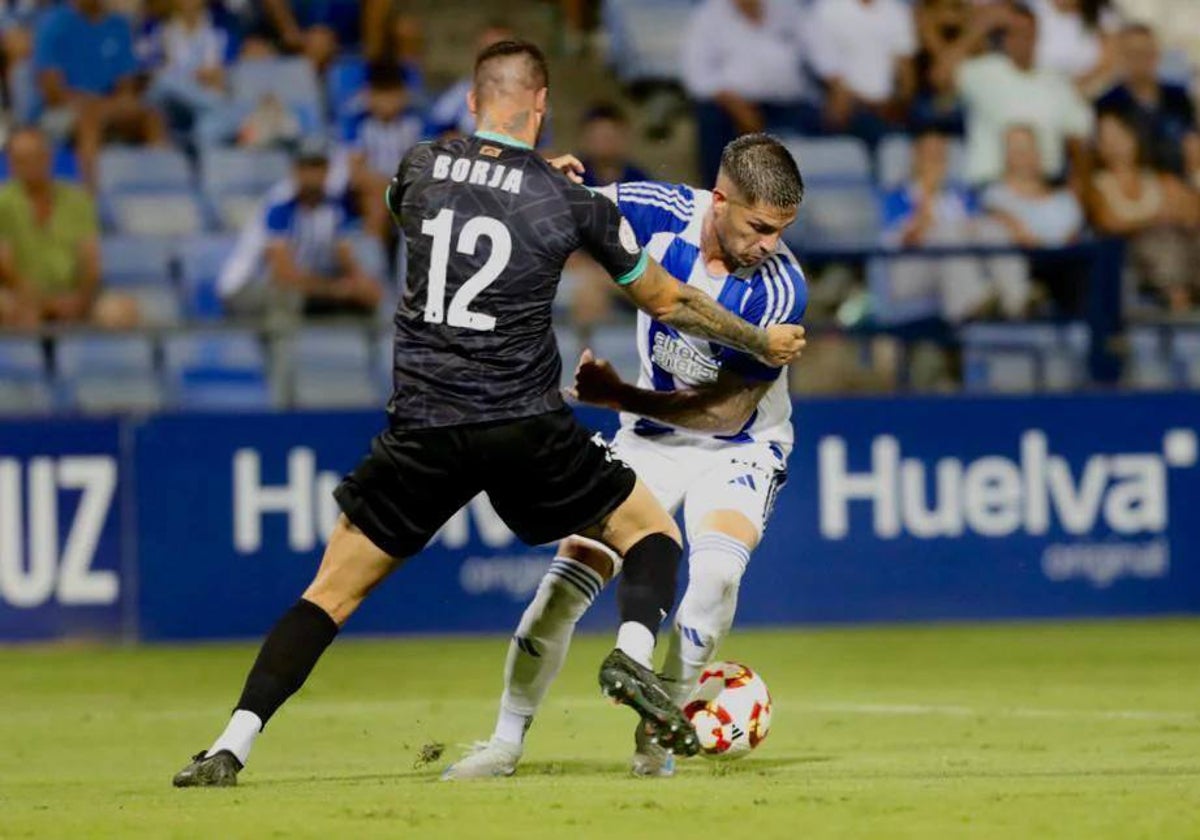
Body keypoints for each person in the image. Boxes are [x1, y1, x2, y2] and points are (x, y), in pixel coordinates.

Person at [171, 40, 806, 787]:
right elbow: (665, 297)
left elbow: (399, 208)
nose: (773, 244)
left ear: (472, 103)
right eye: (762, 226)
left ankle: (232, 743)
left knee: (331, 591)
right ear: (540, 108)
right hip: (524, 423)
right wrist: (755, 342)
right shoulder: (569, 200)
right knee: (649, 539)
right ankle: (614, 665)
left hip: (428, 424)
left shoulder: (416, 166)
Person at [442, 134, 808, 780]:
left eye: (782, 230)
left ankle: (656, 732)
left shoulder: (780, 292)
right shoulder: (654, 209)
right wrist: (537, 176)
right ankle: (504, 742)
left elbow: (723, 411)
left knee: (716, 578)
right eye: (760, 227)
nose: (770, 244)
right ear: (719, 200)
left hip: (740, 444)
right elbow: (565, 207)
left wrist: (617, 396)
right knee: (563, 587)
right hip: (649, 440)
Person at [881, 128, 1030, 322]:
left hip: (954, 266)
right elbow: (904, 242)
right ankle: (970, 309)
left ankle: (1018, 300)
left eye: (940, 155)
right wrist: (926, 197)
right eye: (930, 154)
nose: (935, 160)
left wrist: (1007, 221)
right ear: (915, 156)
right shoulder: (896, 197)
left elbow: (980, 226)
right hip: (908, 270)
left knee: (991, 229)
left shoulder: (959, 197)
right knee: (947, 232)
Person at [0, 126, 138, 329]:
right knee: (12, 310)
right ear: (11, 164)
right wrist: (40, 301)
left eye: (35, 157)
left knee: (121, 312)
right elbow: (6, 266)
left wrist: (80, 299)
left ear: (48, 157)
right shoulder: (3, 202)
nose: (29, 165)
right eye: (21, 160)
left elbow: (91, 260)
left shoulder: (78, 199)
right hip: (22, 296)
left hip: (74, 294)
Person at [952, 2, 1094, 187]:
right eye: (1017, 33)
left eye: (1029, 34)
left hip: (1044, 187)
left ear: (1038, 37)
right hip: (991, 185)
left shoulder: (1056, 82)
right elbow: (940, 77)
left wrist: (1079, 183)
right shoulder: (983, 72)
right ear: (1005, 39)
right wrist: (978, 30)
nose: (1024, 40)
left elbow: (1080, 134)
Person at [681, 0, 819, 184]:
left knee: (831, 120)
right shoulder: (709, 16)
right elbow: (697, 76)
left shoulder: (789, 10)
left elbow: (820, 54)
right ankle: (719, 196)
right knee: (711, 120)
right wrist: (736, 106)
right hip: (732, 105)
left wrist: (837, 84)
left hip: (789, 103)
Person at [32, 0, 167, 186]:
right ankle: (91, 196)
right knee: (89, 118)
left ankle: (162, 188)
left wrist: (111, 105)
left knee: (151, 117)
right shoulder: (54, 23)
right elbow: (53, 91)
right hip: (64, 110)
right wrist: (89, 104)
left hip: (109, 105)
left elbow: (126, 85)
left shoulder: (119, 25)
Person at [1086, 109, 1200, 312]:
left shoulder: (1161, 180)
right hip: (1131, 256)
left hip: (1180, 247)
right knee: (1160, 240)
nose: (1114, 144)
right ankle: (1178, 303)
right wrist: (1155, 220)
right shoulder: (1096, 185)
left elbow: (1193, 212)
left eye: (1119, 135)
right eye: (1106, 137)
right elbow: (1108, 223)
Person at [261, 138, 382, 318]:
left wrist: (359, 283)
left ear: (326, 171)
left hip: (319, 284)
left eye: (317, 167)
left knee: (369, 295)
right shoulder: (280, 207)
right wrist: (334, 289)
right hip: (281, 286)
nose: (312, 175)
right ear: (296, 171)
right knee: (285, 299)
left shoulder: (335, 208)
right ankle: (283, 347)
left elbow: (346, 255)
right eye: (306, 167)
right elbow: (283, 273)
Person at [1095, 23, 1199, 179]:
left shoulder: (1179, 97)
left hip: (1180, 184)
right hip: (1135, 187)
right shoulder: (1108, 104)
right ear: (1121, 57)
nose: (1141, 60)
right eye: (1134, 53)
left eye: (1147, 53)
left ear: (1157, 54)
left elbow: (1192, 144)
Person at [807, 0, 917, 144]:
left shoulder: (896, 10)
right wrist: (870, 105)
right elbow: (829, 74)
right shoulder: (826, 10)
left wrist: (901, 101)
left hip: (889, 109)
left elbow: (905, 67)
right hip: (848, 107)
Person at [344, 61, 425, 241]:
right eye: (380, 95)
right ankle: (375, 264)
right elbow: (356, 173)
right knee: (376, 205)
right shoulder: (359, 125)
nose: (386, 102)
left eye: (392, 95)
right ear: (369, 97)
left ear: (403, 96)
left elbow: (426, 164)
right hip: (375, 190)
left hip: (409, 187)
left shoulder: (416, 124)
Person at [982, 124, 1085, 247]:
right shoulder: (994, 196)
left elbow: (1070, 243)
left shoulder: (1066, 201)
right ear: (1005, 157)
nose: (1024, 157)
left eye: (1029, 149)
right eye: (1017, 151)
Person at [578, 103, 649, 188]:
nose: (604, 144)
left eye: (609, 137)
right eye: (598, 137)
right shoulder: (572, 178)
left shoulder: (639, 180)